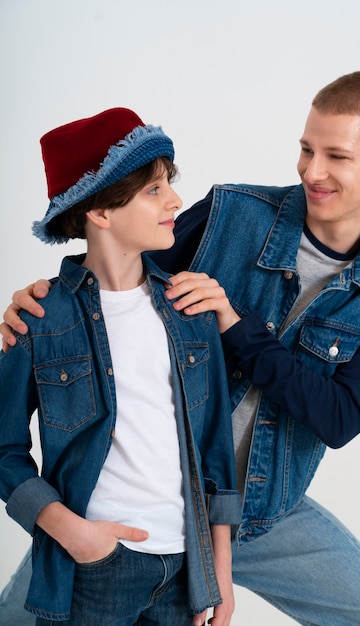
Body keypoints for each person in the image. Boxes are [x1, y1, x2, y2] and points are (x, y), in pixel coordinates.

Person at [2, 70, 360, 625]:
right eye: (305, 149)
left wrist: (236, 326)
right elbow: (122, 269)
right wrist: (44, 297)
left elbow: (339, 419)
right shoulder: (231, 214)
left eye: (337, 157)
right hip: (134, 508)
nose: (312, 172)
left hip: (265, 514)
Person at [0, 107, 241, 626]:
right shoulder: (41, 319)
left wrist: (217, 569)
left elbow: (216, 447)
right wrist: (69, 530)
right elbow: (4, 449)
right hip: (92, 569)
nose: (175, 200)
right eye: (153, 190)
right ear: (101, 212)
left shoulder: (189, 312)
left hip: (183, 569)